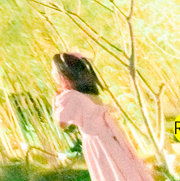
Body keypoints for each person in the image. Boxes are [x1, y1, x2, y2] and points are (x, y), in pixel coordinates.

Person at [52, 52, 155, 181]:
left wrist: (55, 99)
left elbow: (61, 123)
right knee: (123, 172)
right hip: (111, 141)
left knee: (109, 175)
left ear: (63, 75)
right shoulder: (91, 95)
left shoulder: (72, 97)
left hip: (98, 146)